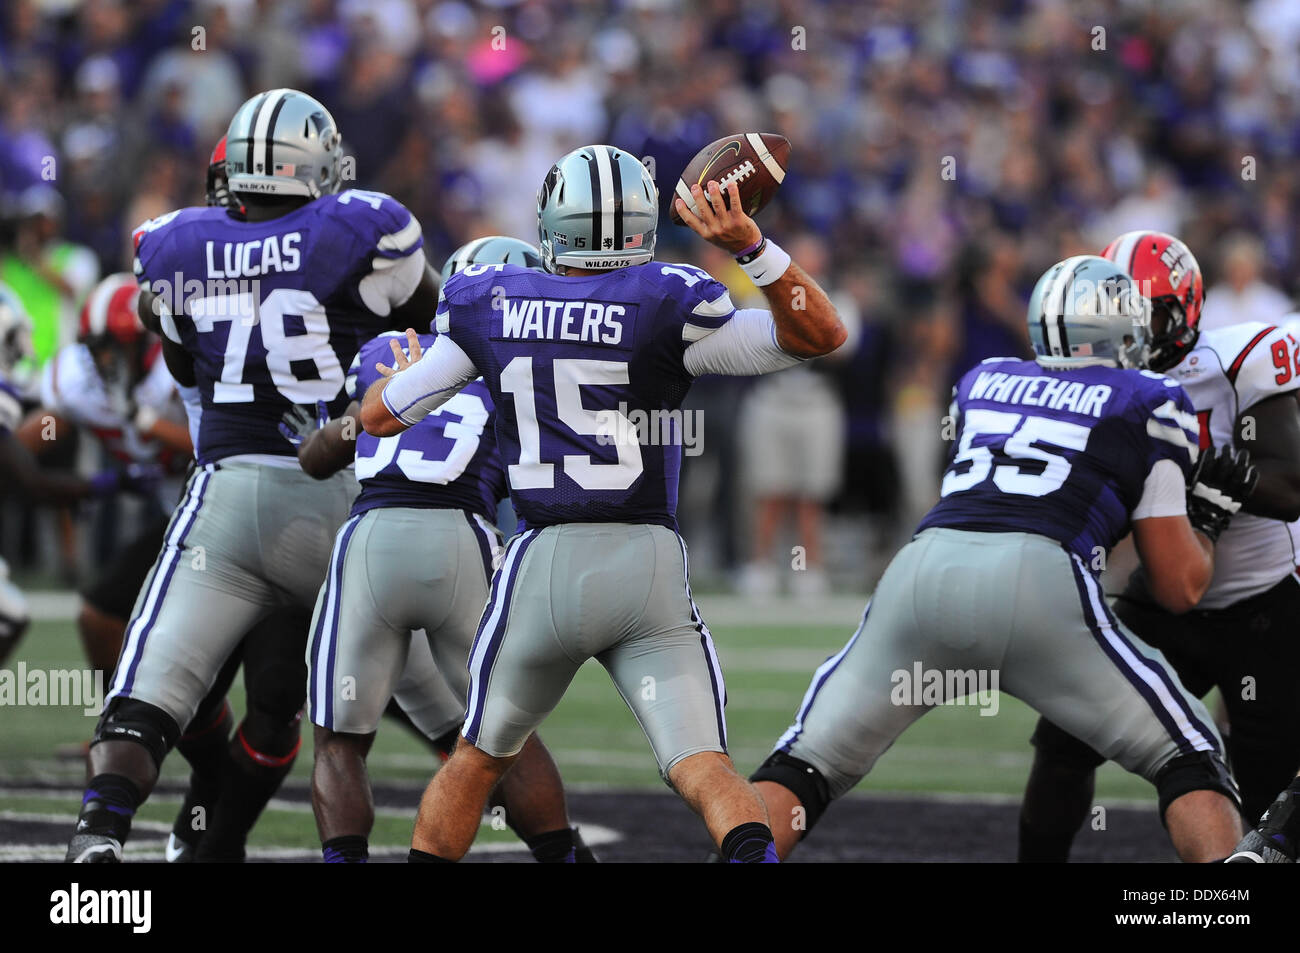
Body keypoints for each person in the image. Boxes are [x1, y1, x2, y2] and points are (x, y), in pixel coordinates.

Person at [362, 145, 846, 863]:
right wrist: (751, 244)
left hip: (544, 562)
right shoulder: (668, 300)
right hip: (646, 564)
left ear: (551, 221)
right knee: (704, 766)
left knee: (476, 758)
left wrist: (400, 377)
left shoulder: (487, 301)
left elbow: (377, 418)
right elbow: (821, 333)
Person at [746, 255, 1256, 862]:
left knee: (807, 763)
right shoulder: (1150, 398)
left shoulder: (982, 379)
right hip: (1040, 582)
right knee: (1189, 756)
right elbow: (1178, 587)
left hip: (922, 571)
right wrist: (1207, 519)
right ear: (1124, 331)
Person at [65, 88, 438, 863]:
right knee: (442, 714)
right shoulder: (365, 226)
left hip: (227, 496)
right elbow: (440, 336)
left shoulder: (169, 244)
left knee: (148, 692)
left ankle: (97, 843)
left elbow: (188, 373)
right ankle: (552, 842)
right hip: (341, 504)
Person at [293, 235, 592, 863]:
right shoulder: (527, 366)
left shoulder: (386, 350)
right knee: (503, 734)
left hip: (373, 542)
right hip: (464, 543)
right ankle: (565, 859)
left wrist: (354, 418)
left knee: (340, 740)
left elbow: (318, 458)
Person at [1019, 231, 1300, 861]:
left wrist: (1197, 475)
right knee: (1064, 742)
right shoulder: (1101, 379)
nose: (1137, 333)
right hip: (1163, 600)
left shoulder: (1240, 358)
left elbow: (1290, 487)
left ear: (1187, 307)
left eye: (1149, 315)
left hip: (1262, 609)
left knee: (1269, 801)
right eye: (1121, 318)